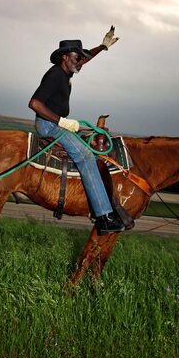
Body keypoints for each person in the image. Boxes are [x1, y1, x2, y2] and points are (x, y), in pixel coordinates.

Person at [28, 26, 124, 235]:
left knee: (91, 146)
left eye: (80, 59)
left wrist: (103, 46)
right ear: (64, 57)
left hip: (57, 123)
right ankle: (104, 218)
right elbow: (35, 103)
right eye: (75, 58)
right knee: (87, 156)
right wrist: (62, 122)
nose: (79, 63)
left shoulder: (67, 69)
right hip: (49, 125)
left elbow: (85, 59)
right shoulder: (54, 75)